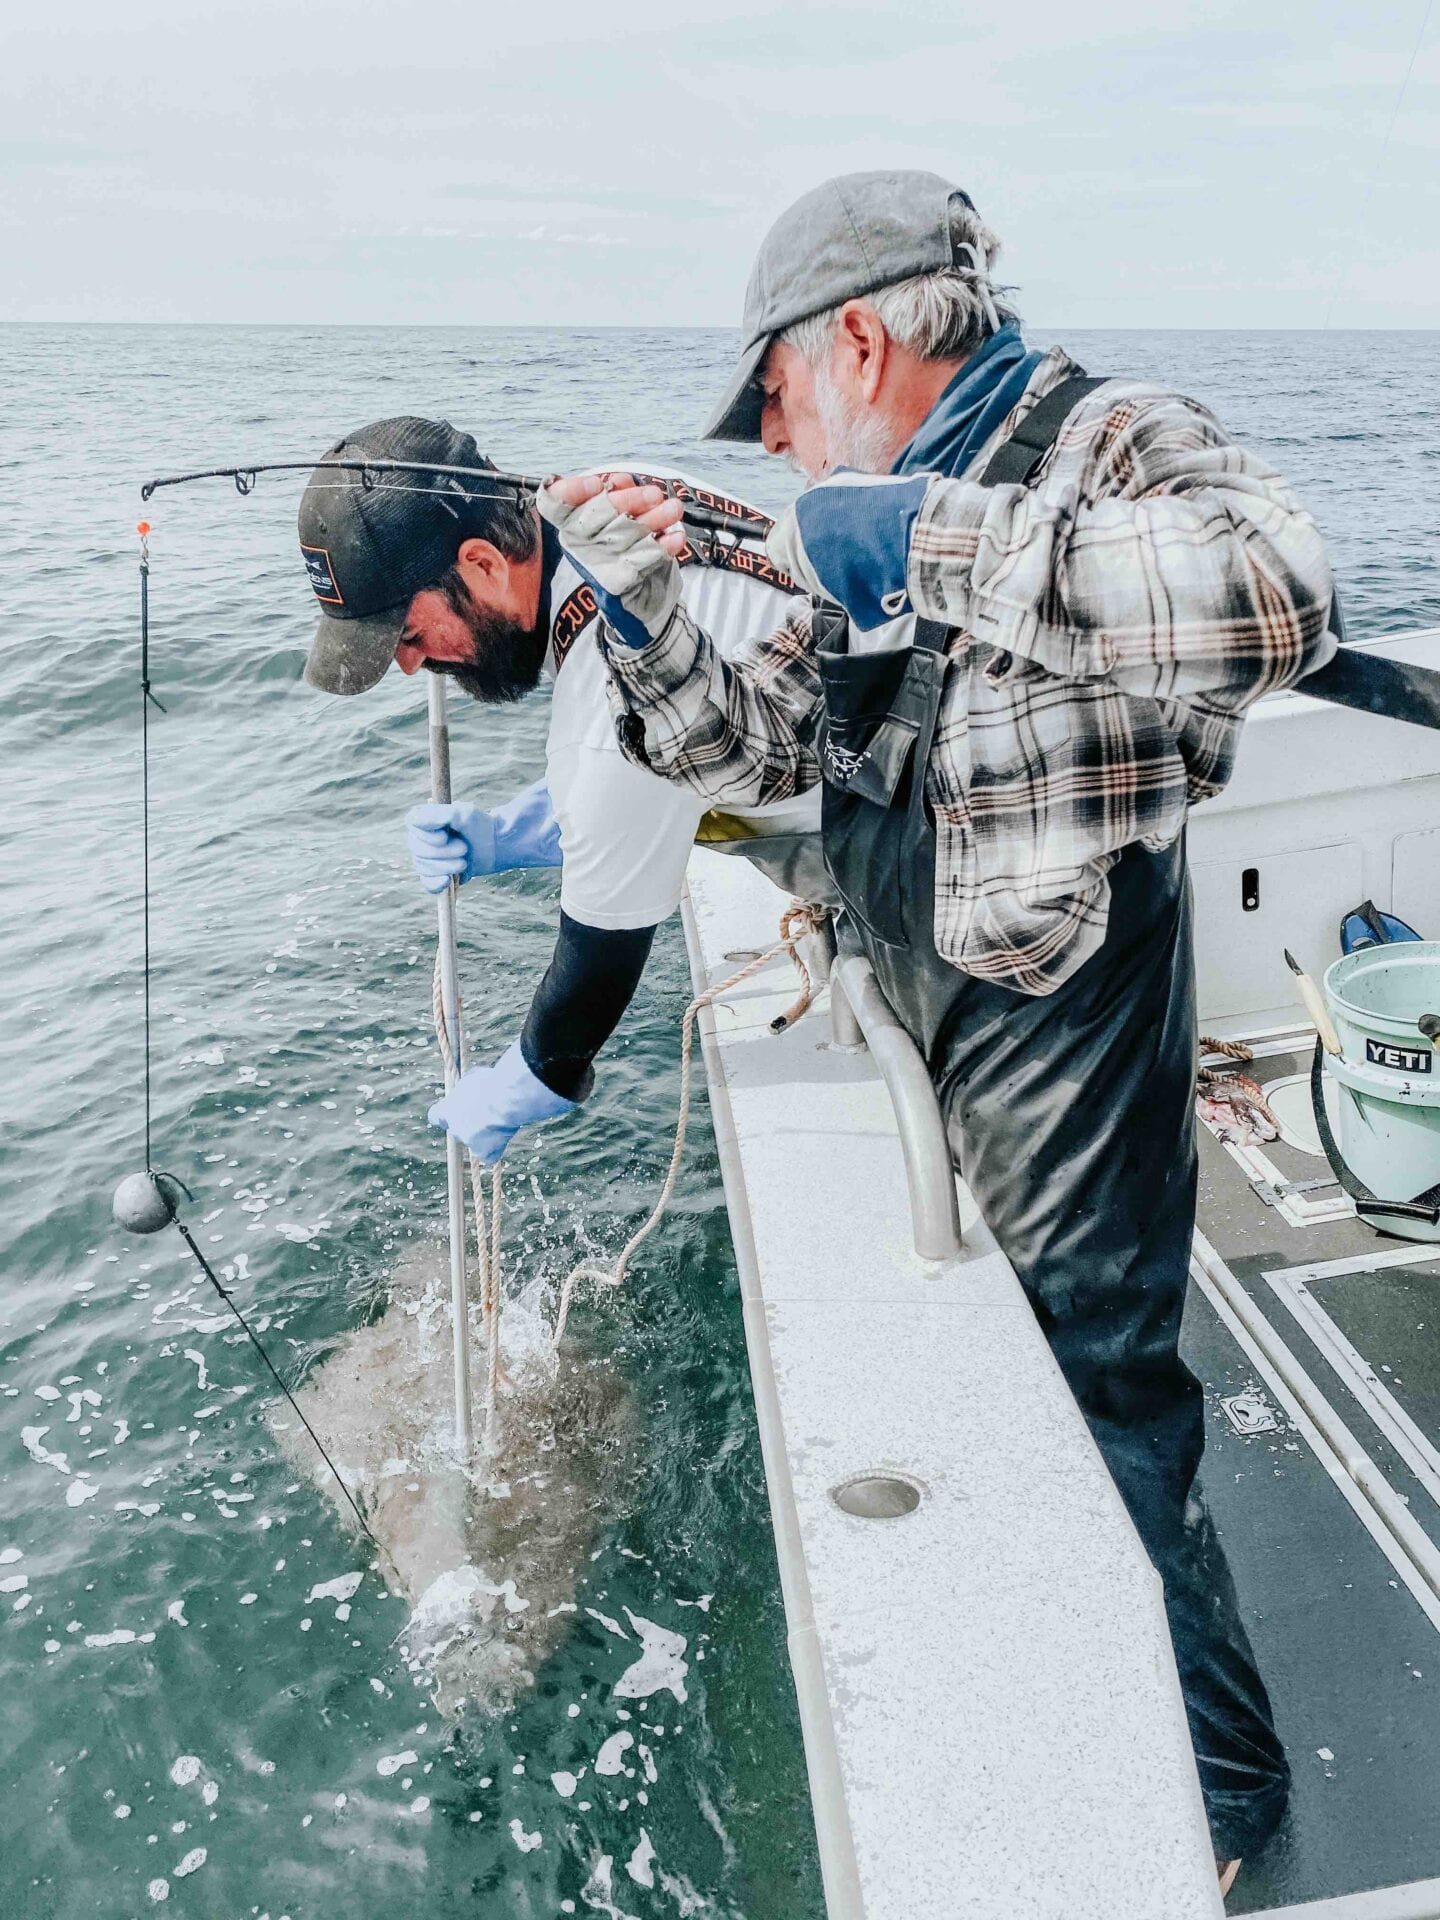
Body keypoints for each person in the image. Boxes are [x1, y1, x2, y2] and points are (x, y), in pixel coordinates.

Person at [534, 171, 1339, 1885]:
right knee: (1037, 1402)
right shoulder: (861, 503)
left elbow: (1278, 603)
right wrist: (643, 613)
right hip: (919, 978)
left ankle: (1224, 1798)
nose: (772, 440)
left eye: (773, 400)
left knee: (1108, 1398)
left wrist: (922, 541)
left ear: (856, 337)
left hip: (1068, 1010)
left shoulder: (1104, 433)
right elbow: (765, 757)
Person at [297, 415, 818, 1163]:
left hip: (902, 845)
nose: (410, 666)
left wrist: (525, 1082)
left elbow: (596, 965)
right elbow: (634, 784)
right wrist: (511, 836)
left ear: (480, 565)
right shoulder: (610, 502)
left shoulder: (611, 709)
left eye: (409, 634)